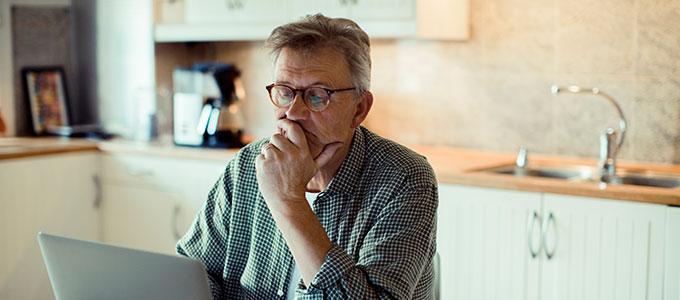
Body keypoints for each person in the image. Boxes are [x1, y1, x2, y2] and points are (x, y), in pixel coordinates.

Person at [177, 14, 438, 299]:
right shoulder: (245, 166)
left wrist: (288, 202)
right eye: (285, 92)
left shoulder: (405, 178)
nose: (294, 112)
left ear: (359, 109)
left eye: (317, 95)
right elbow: (195, 274)